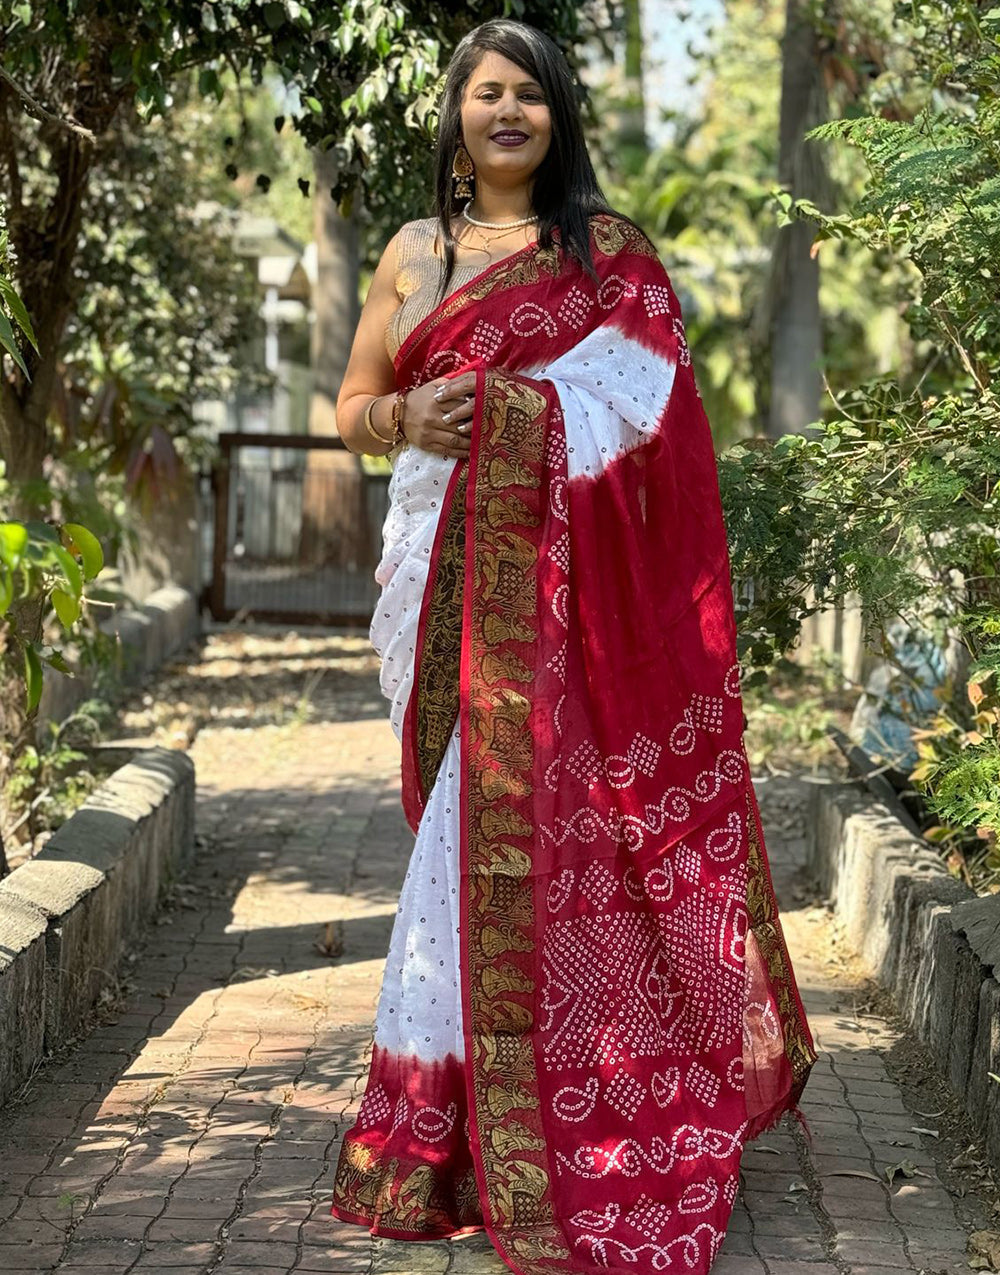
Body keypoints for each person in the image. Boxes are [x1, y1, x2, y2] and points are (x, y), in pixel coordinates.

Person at [329, 18, 816, 1275]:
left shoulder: (606, 259)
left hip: (564, 607)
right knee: (452, 826)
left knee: (545, 827)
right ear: (454, 114)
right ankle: (444, 1129)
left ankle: (523, 1120)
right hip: (431, 568)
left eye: (530, 97)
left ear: (557, 117)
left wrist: (503, 411)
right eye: (487, 94)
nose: (508, 114)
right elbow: (352, 409)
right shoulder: (413, 254)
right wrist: (405, 413)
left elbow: (652, 413)